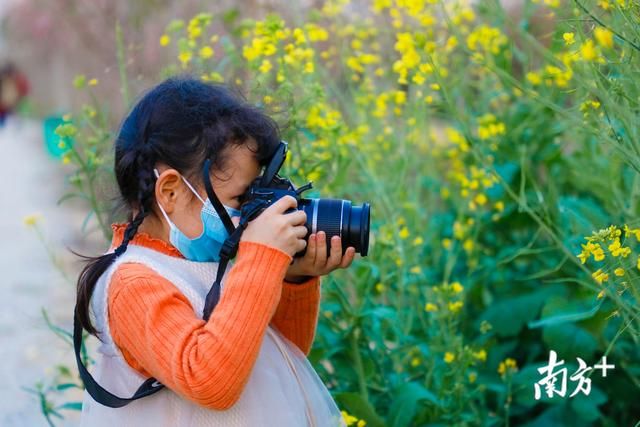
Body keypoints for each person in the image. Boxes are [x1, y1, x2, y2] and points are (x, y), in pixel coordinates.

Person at [75, 76, 355, 426]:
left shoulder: (206, 263)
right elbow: (210, 381)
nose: (249, 213)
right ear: (171, 193)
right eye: (241, 198)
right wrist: (260, 257)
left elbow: (280, 353)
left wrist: (293, 278)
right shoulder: (132, 285)